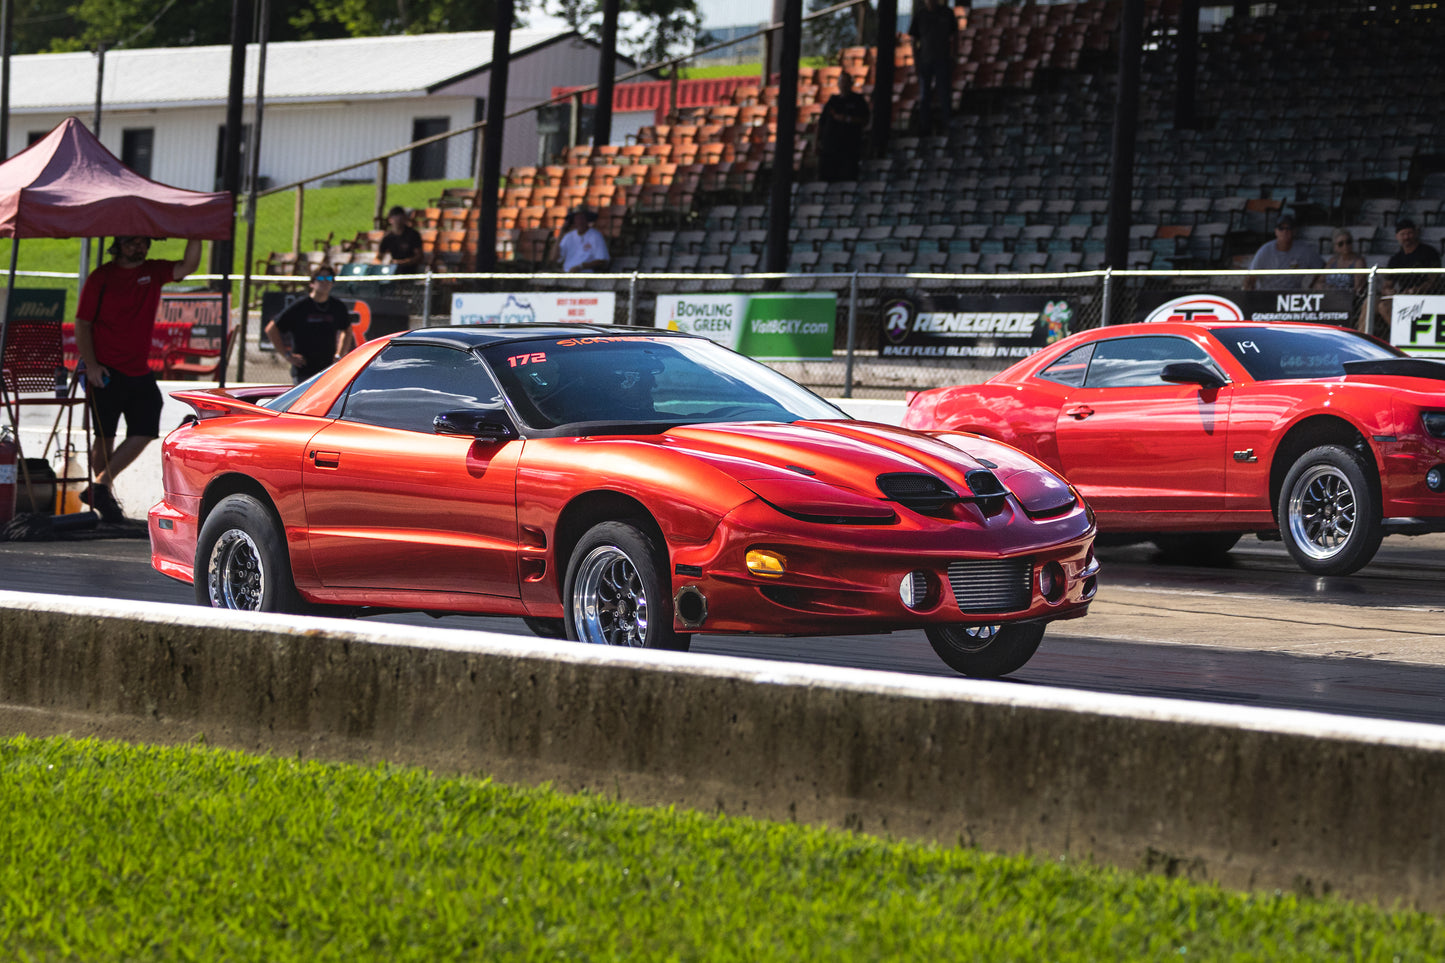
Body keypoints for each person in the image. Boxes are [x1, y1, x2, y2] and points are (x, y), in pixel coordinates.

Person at [74, 235, 202, 523]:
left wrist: (196, 231)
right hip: (105, 369)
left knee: (145, 428)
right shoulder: (102, 277)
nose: (139, 248)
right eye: (132, 243)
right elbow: (82, 323)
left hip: (138, 369)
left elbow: (189, 265)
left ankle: (100, 486)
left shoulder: (152, 271)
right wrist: (92, 366)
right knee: (104, 437)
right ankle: (102, 497)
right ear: (118, 245)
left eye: (143, 242)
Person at [264, 263, 355, 384]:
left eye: (328, 278)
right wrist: (287, 355)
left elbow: (347, 330)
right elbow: (271, 329)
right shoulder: (300, 306)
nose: (325, 282)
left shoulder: (337, 306)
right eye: (320, 278)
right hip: (304, 371)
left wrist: (339, 355)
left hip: (328, 370)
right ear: (312, 283)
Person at [1373, 217, 1442, 333]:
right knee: (1372, 304)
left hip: (1425, 297)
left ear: (1415, 233)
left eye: (1409, 233)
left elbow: (1434, 280)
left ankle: (1403, 335)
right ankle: (1362, 336)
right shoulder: (1396, 259)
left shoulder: (1429, 253)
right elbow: (1387, 285)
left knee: (1384, 306)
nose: (1406, 237)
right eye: (1403, 234)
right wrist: (1388, 291)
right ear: (1397, 237)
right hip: (1401, 297)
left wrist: (1415, 290)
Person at [908, 0, 959, 135]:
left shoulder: (947, 13)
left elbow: (955, 36)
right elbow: (913, 40)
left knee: (944, 94)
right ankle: (925, 128)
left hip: (943, 60)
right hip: (925, 62)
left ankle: (947, 124)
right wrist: (916, 62)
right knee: (925, 96)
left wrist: (954, 56)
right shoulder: (920, 15)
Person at [1241, 214, 1321, 290]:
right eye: (1281, 228)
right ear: (1276, 231)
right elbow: (1250, 278)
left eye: (1288, 228)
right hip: (1267, 294)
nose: (1285, 231)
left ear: (1294, 231)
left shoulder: (1304, 251)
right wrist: (1248, 294)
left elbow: (1322, 269)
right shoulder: (1265, 251)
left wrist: (1312, 287)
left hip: (1291, 295)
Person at [817, 71, 871, 183]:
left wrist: (847, 119)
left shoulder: (858, 100)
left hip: (849, 147)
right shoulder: (833, 101)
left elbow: (865, 120)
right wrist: (817, 141)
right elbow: (821, 123)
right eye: (841, 82)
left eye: (846, 82)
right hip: (830, 147)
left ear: (851, 83)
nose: (843, 85)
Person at [1314, 228, 1366, 295]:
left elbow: (1358, 288)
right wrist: (1325, 287)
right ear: (1335, 247)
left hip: (1347, 297)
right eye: (1341, 244)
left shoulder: (1358, 262)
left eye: (1348, 242)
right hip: (1329, 296)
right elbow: (1320, 281)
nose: (1345, 246)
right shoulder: (1332, 261)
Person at [555, 208, 610, 273]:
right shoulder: (568, 236)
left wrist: (581, 266)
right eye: (577, 218)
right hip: (566, 273)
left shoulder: (596, 236)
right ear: (573, 221)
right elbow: (555, 257)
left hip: (584, 275)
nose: (580, 221)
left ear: (587, 219)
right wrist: (561, 232)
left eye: (582, 218)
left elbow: (602, 261)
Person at [376, 205, 426, 272]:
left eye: (400, 217)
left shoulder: (413, 235)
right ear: (390, 220)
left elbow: (419, 256)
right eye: (395, 218)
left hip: (410, 269)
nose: (398, 220)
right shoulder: (387, 237)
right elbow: (379, 257)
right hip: (393, 268)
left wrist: (402, 263)